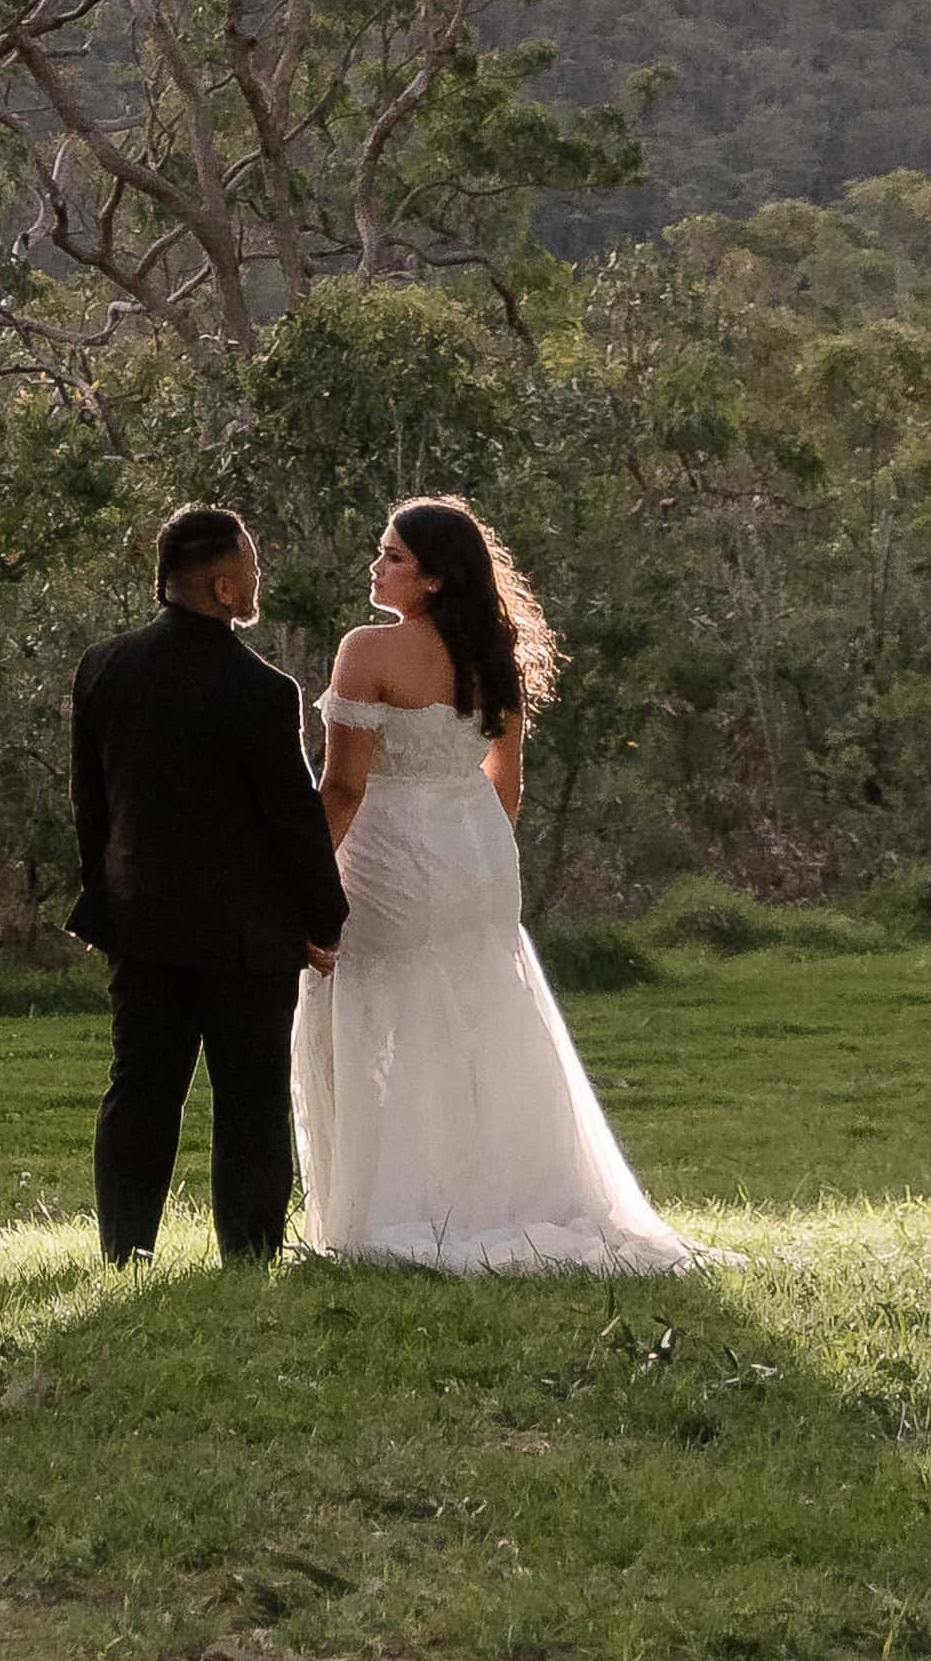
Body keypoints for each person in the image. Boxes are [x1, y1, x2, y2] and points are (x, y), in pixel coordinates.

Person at [296, 494, 697, 1273]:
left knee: (387, 1013)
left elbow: (342, 789)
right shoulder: (494, 652)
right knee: (476, 1026)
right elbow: (505, 784)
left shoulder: (367, 650)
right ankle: (498, 1195)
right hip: (476, 853)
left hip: (393, 854)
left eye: (393, 557)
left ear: (435, 579)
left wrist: (304, 880)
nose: (376, 566)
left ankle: (395, 1207)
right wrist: (473, 851)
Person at [67, 502, 345, 1263]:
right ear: (223, 589)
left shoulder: (104, 668)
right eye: (250, 567)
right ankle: (249, 1251)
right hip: (244, 935)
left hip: (142, 922)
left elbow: (91, 806)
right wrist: (325, 919)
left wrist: (106, 898)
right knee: (250, 1097)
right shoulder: (261, 689)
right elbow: (293, 817)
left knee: (140, 1088)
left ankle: (126, 1249)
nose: (258, 578)